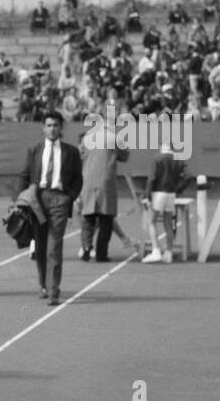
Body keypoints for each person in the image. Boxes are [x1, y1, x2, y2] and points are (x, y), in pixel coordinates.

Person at [19, 111, 82, 305]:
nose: (52, 129)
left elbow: (78, 179)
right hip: (38, 199)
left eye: (55, 125)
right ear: (43, 128)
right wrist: (20, 201)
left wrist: (69, 197)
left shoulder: (71, 151)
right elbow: (25, 175)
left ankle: (54, 290)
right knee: (40, 245)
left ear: (61, 127)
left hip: (60, 200)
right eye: (49, 125)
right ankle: (43, 284)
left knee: (54, 246)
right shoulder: (35, 150)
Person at [78, 112, 130, 262]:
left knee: (88, 218)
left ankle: (87, 247)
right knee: (106, 220)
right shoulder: (114, 138)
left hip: (87, 181)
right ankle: (101, 253)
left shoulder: (87, 137)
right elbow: (125, 156)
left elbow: (80, 154)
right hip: (105, 182)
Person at [141, 143, 190, 263]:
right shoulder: (178, 159)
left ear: (161, 147)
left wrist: (147, 195)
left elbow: (152, 178)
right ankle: (169, 253)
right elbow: (188, 176)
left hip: (158, 193)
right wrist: (179, 189)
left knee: (151, 221)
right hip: (171, 194)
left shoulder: (157, 158)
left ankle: (156, 250)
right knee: (168, 224)